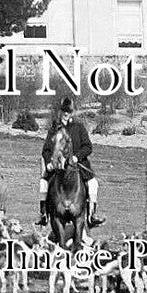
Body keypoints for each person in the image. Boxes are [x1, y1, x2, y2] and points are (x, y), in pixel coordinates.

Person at [39, 97, 105, 227]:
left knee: (93, 184)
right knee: (43, 183)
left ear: (72, 112)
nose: (65, 113)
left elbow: (88, 147)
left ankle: (92, 215)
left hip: (77, 166)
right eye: (64, 110)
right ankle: (44, 214)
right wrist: (48, 163)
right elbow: (46, 150)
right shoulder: (53, 128)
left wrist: (76, 157)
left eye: (68, 111)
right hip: (57, 167)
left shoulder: (79, 127)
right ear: (60, 111)